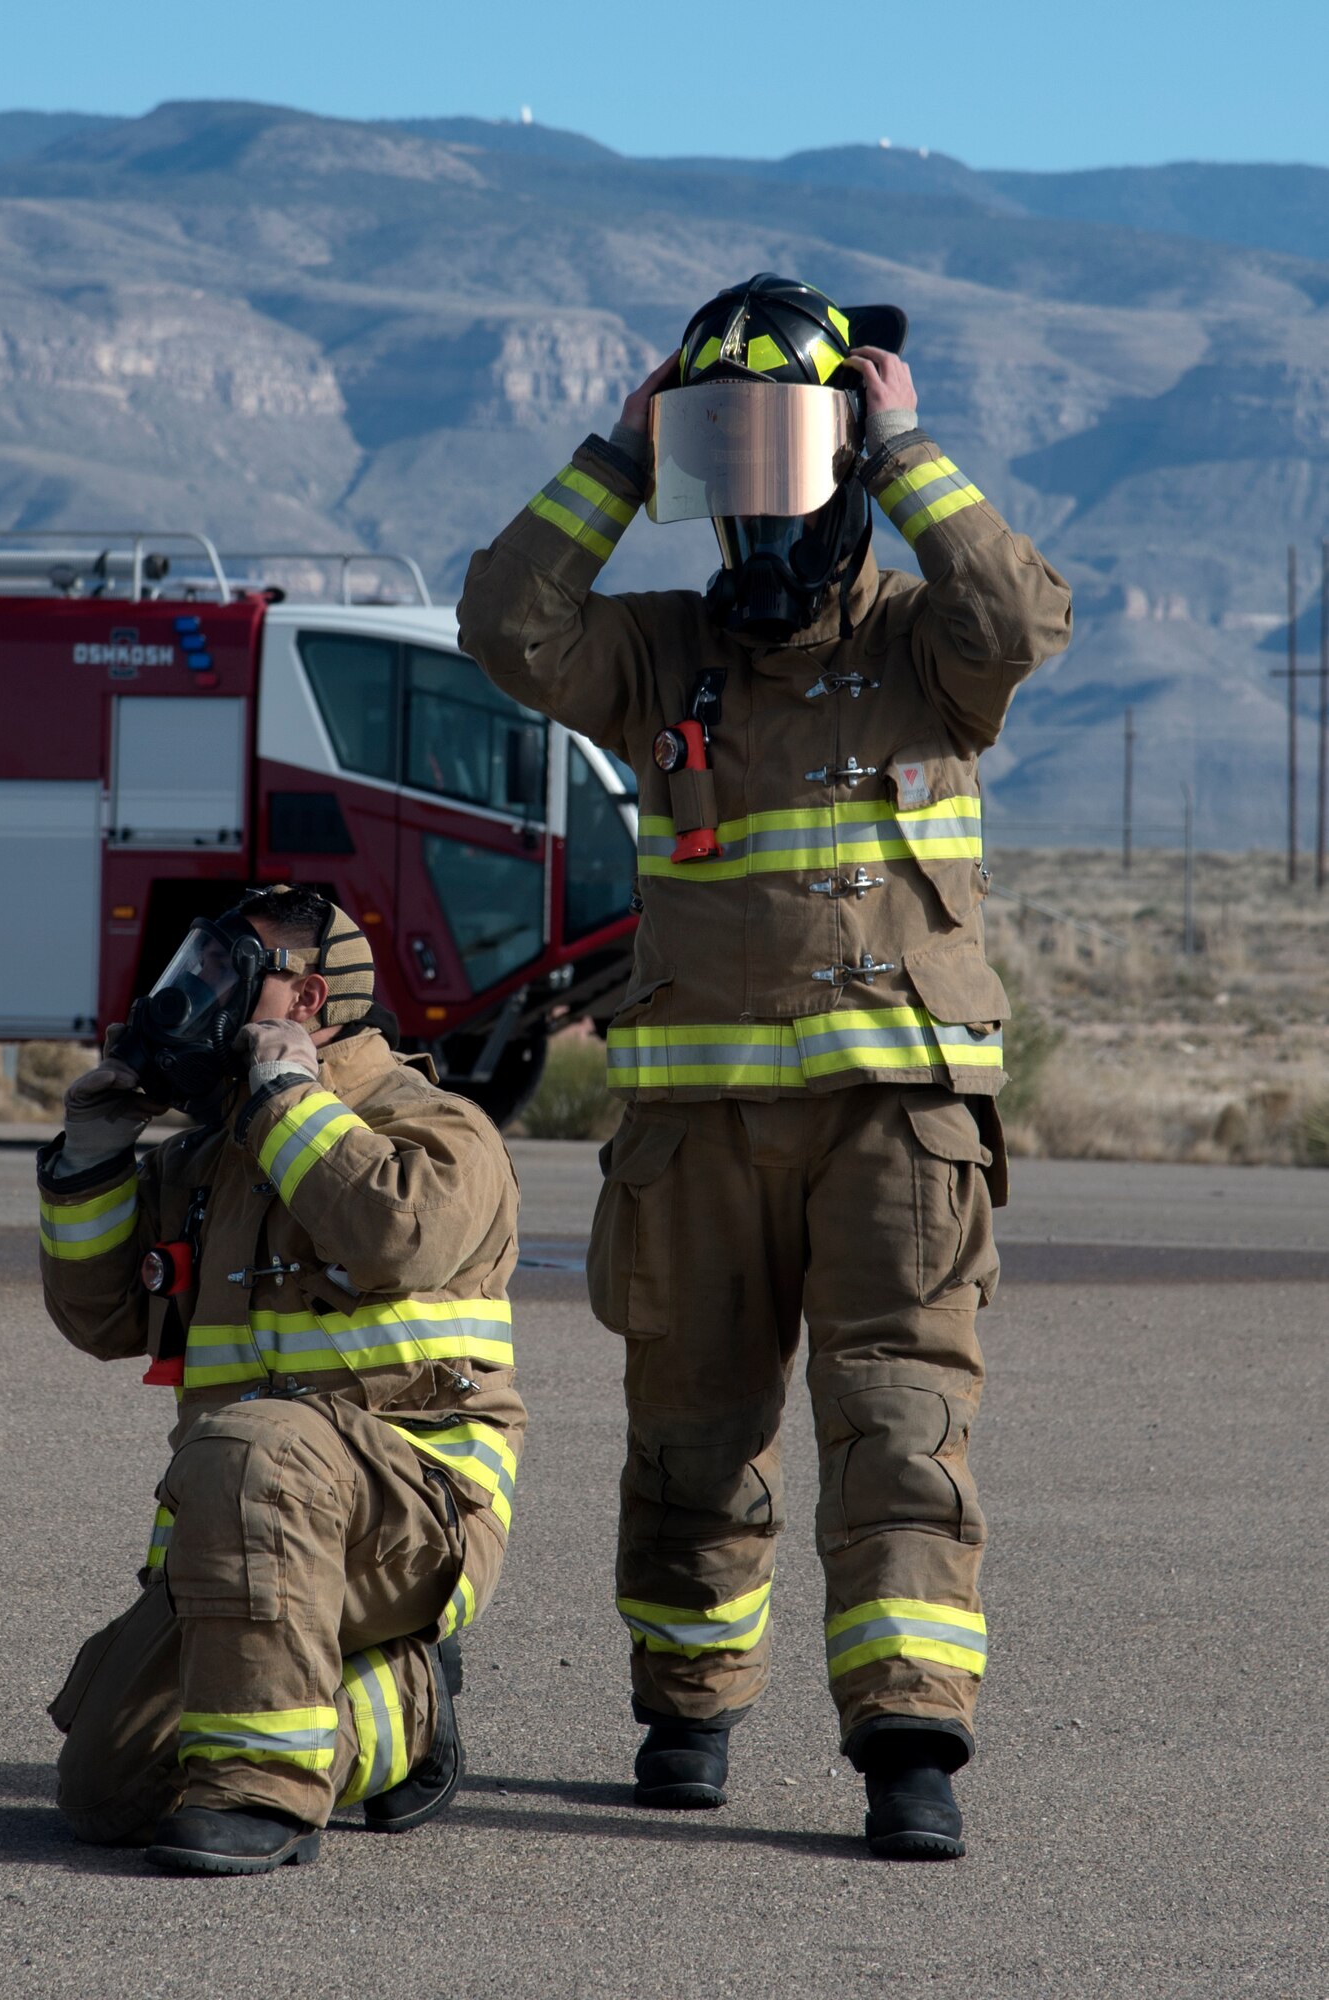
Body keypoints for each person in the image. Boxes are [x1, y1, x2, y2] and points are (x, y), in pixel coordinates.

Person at [458, 273, 1071, 1859]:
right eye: (720, 453)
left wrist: (912, 454)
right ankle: (688, 1708)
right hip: (699, 1136)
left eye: (787, 448)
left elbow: (1022, 617)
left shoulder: (928, 650)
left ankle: (908, 1746)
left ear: (847, 459)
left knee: (898, 1423)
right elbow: (506, 626)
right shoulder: (659, 658)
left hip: (896, 1133)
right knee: (689, 1430)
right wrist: (610, 450)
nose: (758, 494)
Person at [38, 885, 522, 1874]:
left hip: (410, 1514)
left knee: (257, 1435)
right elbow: (102, 1319)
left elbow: (401, 1231)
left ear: (304, 999)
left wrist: (289, 1103)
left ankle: (264, 1789)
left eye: (224, 975)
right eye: (196, 968)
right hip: (243, 1530)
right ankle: (396, 1712)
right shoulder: (211, 1161)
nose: (193, 993)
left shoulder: (439, 1127)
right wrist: (89, 1157)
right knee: (106, 1786)